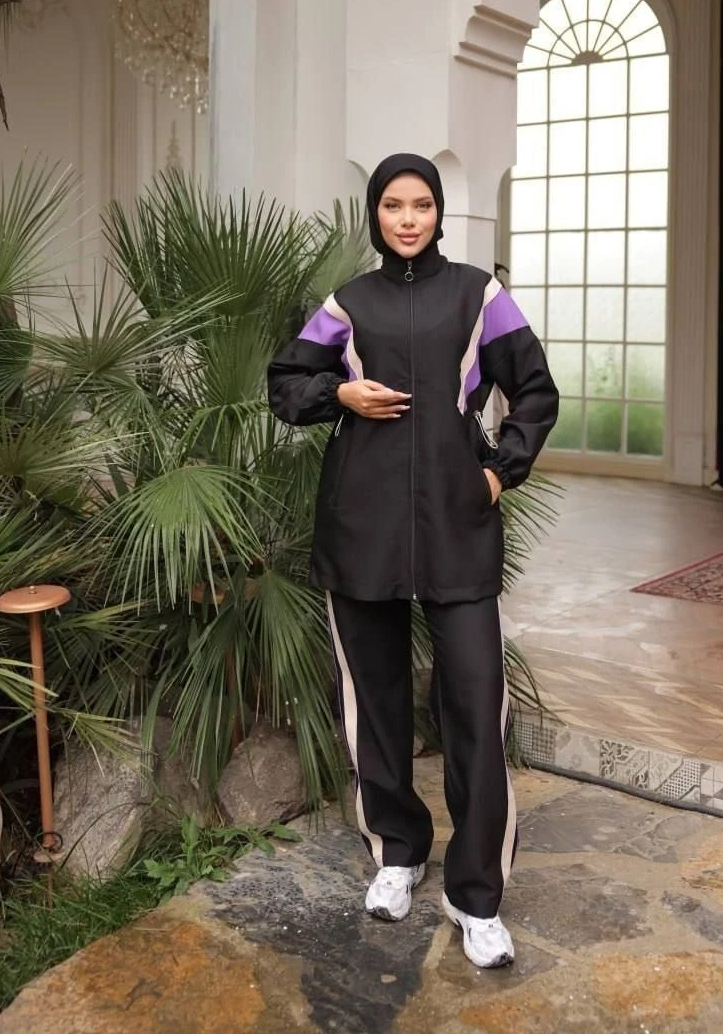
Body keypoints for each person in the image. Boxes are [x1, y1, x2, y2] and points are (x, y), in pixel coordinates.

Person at [267, 153, 559, 969]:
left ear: (437, 213)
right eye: (392, 205)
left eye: (420, 205)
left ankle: (477, 897)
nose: (406, 218)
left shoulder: (478, 295)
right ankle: (397, 851)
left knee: (475, 702)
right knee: (375, 702)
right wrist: (340, 394)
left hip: (456, 525)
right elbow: (285, 382)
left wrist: (498, 471)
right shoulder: (348, 303)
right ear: (375, 213)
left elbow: (535, 391)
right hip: (360, 524)